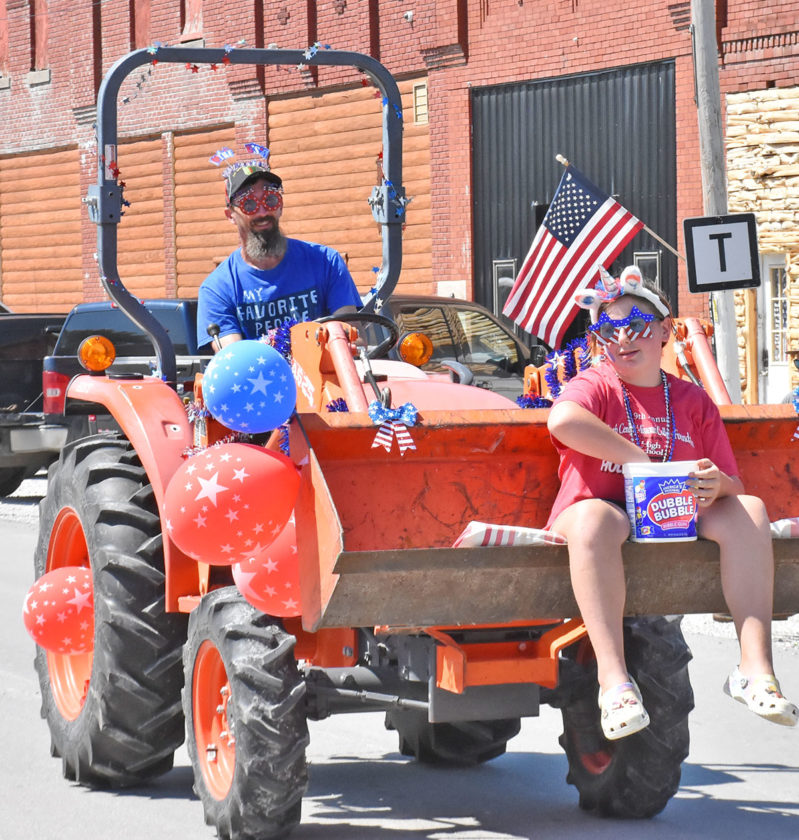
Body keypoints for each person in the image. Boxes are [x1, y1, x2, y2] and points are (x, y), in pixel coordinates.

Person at [546, 265, 798, 740]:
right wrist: (639, 460)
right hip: (598, 515)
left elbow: (733, 483)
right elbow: (561, 420)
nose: (623, 338)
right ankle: (613, 682)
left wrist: (714, 484)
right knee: (597, 519)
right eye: (608, 330)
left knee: (752, 510)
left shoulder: (690, 399)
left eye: (636, 326)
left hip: (674, 516)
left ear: (664, 331)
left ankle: (754, 667)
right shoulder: (598, 384)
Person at [197, 159, 362, 352]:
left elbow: (353, 342)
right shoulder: (217, 288)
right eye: (248, 204)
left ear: (280, 206)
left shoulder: (327, 262)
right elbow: (235, 362)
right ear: (230, 215)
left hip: (323, 377)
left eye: (270, 199)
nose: (262, 211)